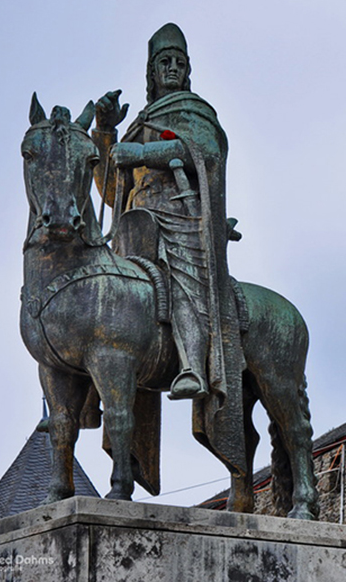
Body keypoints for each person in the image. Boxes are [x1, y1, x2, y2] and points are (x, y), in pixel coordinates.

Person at [92, 23, 242, 407]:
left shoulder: (193, 111)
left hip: (179, 219)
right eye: (165, 62)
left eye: (179, 61)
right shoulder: (139, 124)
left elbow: (206, 152)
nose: (172, 67)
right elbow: (112, 192)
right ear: (152, 72)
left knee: (181, 283)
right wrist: (106, 133)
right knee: (104, 293)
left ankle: (192, 366)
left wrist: (141, 154)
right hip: (134, 226)